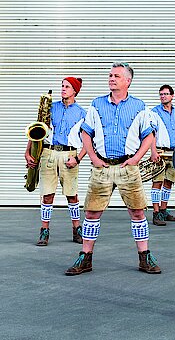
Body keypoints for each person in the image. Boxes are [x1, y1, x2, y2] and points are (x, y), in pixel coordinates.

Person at [65, 62, 161, 276]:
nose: (111, 78)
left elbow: (149, 136)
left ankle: (144, 257)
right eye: (110, 75)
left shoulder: (139, 106)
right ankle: (85, 257)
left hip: (128, 167)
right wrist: (92, 157)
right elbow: (85, 133)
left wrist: (136, 158)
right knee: (91, 212)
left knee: (137, 212)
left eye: (116, 75)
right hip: (102, 167)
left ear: (128, 81)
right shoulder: (97, 104)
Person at [25, 77, 87, 246]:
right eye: (62, 86)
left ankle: (76, 229)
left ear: (75, 91)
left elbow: (89, 140)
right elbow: (37, 129)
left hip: (69, 155)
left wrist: (78, 158)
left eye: (67, 86)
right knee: (47, 195)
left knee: (72, 195)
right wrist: (27, 151)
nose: (63, 89)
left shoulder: (82, 113)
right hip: (49, 153)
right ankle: (44, 231)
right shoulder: (50, 108)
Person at [149, 84, 175, 226]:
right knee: (157, 182)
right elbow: (151, 133)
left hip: (173, 153)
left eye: (166, 94)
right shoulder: (154, 112)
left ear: (172, 96)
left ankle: (163, 210)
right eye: (161, 94)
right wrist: (153, 151)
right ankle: (156, 213)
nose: (163, 96)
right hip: (160, 152)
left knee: (169, 182)